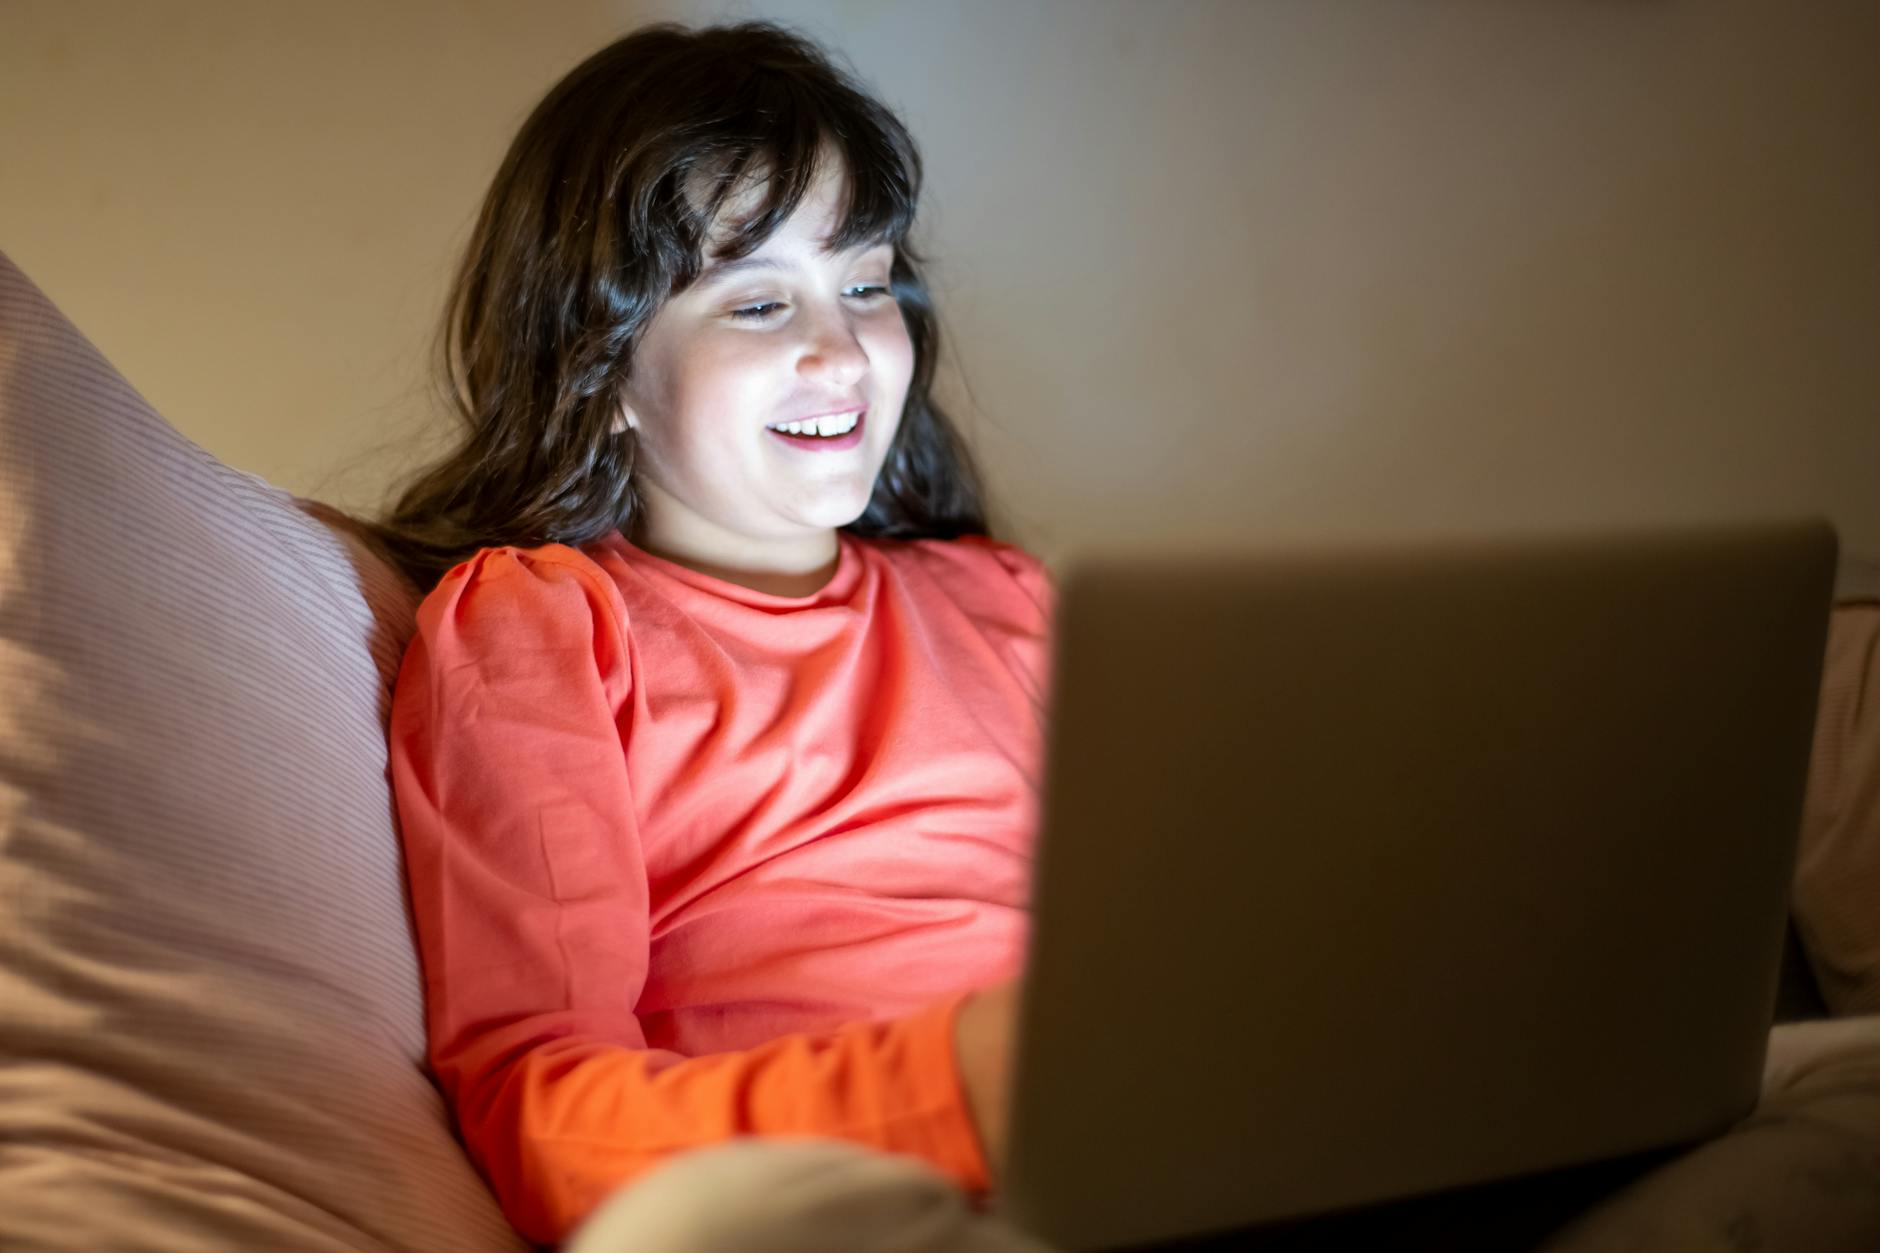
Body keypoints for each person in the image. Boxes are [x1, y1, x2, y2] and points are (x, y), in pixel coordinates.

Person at [368, 20, 1048, 1249]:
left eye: (864, 281)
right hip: (831, 1201)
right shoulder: (541, 627)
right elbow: (543, 1110)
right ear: (605, 369)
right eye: (752, 301)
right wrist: (958, 1088)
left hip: (1132, 1155)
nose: (838, 348)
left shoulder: (1004, 602)